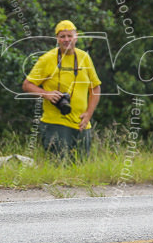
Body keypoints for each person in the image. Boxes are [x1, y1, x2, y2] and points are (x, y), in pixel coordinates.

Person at [22, 20, 101, 159]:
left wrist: (89, 114)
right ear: (57, 39)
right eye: (62, 36)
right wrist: (46, 94)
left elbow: (95, 87)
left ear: (76, 37)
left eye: (69, 36)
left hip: (82, 124)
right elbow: (27, 85)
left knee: (81, 171)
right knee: (60, 169)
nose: (66, 40)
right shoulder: (47, 59)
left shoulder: (84, 57)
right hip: (55, 124)